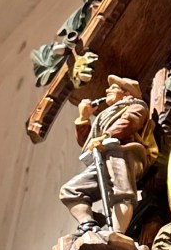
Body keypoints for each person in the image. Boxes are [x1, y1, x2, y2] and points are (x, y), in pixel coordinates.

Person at [60, 75, 157, 236]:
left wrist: (105, 137)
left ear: (127, 93)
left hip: (123, 152)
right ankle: (89, 225)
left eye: (113, 88)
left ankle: (117, 234)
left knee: (121, 193)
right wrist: (84, 118)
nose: (107, 91)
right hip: (103, 157)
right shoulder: (105, 115)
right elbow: (88, 143)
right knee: (71, 190)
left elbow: (129, 123)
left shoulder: (136, 106)